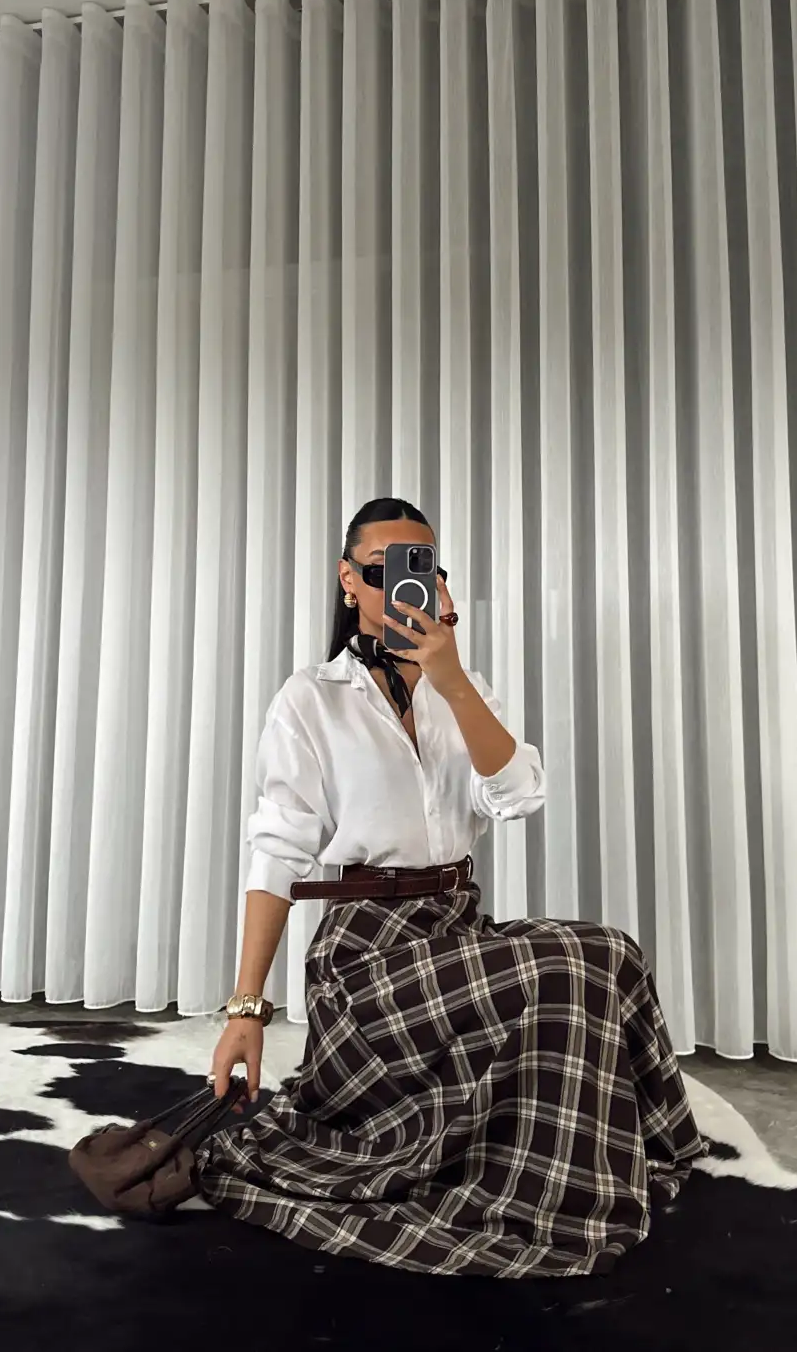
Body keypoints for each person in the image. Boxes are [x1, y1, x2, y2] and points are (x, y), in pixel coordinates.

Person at [198, 496, 705, 1278]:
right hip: (366, 962)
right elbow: (276, 853)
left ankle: (629, 1153)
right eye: (381, 570)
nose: (402, 585)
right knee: (563, 968)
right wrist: (245, 1007)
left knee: (610, 950)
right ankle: (552, 1186)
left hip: (455, 932)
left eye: (420, 568)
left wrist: (452, 678)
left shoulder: (461, 690)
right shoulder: (311, 699)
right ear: (349, 581)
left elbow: (519, 795)